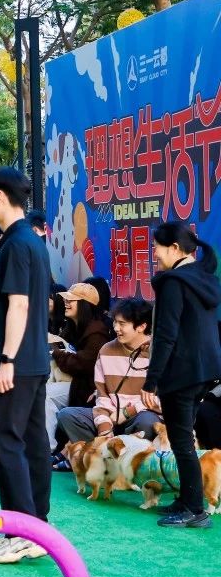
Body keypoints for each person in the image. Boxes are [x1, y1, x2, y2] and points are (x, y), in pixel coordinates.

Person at [0, 167, 53, 563]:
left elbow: (20, 305)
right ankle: (33, 526)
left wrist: (7, 359)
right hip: (34, 359)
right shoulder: (32, 241)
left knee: (7, 441)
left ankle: (25, 531)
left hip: (18, 361)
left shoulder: (16, 245)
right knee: (33, 441)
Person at [143, 222, 221, 529]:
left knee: (182, 441)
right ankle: (188, 499)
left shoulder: (174, 282)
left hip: (182, 372)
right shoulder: (202, 278)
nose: (154, 253)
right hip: (204, 370)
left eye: (157, 247)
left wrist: (151, 380)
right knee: (183, 438)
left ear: (175, 248)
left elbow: (166, 335)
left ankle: (194, 509)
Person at [57, 297, 160, 446]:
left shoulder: (158, 352)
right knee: (67, 416)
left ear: (141, 326)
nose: (116, 328)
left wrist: (128, 412)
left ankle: (133, 456)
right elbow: (102, 395)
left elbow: (163, 398)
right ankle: (102, 452)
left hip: (139, 416)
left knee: (148, 422)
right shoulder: (106, 350)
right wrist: (104, 425)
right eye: (115, 322)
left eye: (122, 324)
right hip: (111, 416)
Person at [47, 282, 113, 457]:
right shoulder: (72, 326)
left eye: (72, 300)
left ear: (84, 305)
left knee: (46, 394)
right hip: (75, 384)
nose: (66, 303)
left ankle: (47, 448)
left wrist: (57, 353)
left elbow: (83, 364)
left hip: (87, 389)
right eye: (66, 300)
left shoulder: (97, 331)